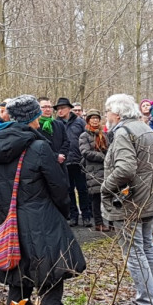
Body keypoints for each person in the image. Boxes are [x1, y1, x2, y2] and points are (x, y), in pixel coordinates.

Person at [0, 95, 85, 305]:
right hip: (44, 227)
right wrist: (60, 214)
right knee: (52, 290)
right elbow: (60, 190)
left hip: (12, 227)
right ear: (34, 118)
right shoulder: (40, 147)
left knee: (18, 294)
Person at [102, 94, 153, 305]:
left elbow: (125, 169)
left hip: (130, 201)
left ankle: (147, 304)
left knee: (135, 252)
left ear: (117, 114)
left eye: (108, 111)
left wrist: (105, 187)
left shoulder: (123, 132)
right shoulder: (145, 128)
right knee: (147, 248)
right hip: (148, 196)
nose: (106, 116)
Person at [55, 97, 92, 227]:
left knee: (83, 189)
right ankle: (73, 216)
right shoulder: (56, 124)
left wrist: (84, 156)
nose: (60, 111)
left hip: (79, 161)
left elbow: (87, 139)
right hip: (64, 162)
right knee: (69, 190)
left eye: (62, 108)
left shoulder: (79, 122)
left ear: (69, 109)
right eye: (58, 109)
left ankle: (86, 216)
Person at [79, 109, 110, 232]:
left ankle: (111, 221)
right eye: (92, 118)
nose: (95, 120)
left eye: (97, 118)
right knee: (96, 197)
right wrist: (102, 157)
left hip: (106, 169)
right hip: (93, 169)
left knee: (109, 196)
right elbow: (85, 152)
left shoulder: (104, 134)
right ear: (88, 120)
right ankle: (98, 223)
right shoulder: (84, 136)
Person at [37, 97, 69, 166]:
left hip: (60, 164)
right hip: (42, 165)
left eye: (50, 107)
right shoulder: (35, 125)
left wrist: (61, 155)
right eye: (44, 107)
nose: (48, 109)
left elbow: (66, 142)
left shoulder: (59, 124)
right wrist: (55, 156)